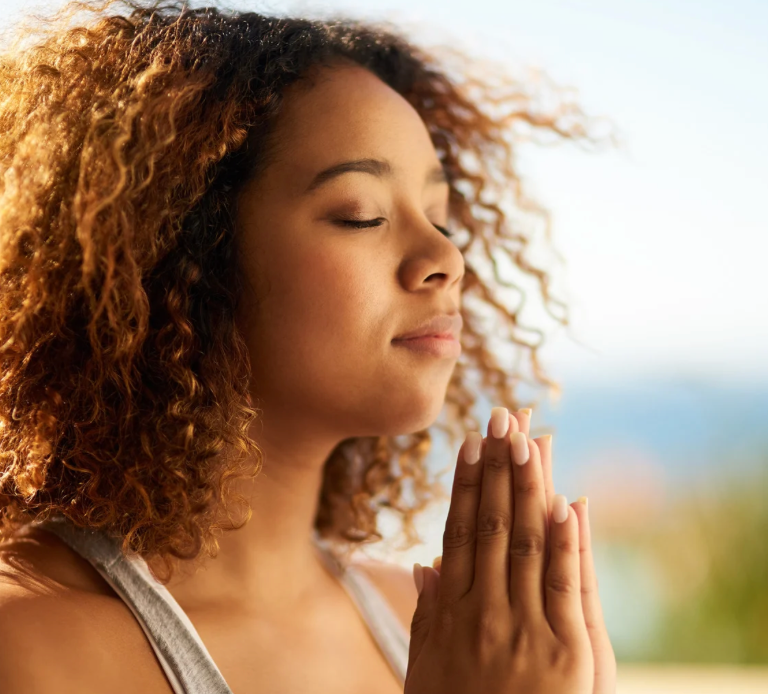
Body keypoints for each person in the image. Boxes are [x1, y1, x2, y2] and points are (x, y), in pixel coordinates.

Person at [0, 1, 617, 692]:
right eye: (363, 215)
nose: (445, 255)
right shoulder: (30, 645)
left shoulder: (442, 625)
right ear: (184, 253)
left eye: (440, 216)